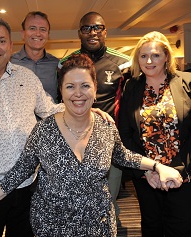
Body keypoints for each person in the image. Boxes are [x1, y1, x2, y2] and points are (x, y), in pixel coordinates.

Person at [0, 53, 183, 237]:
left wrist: (157, 166)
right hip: (53, 229)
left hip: (98, 228)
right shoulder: (44, 130)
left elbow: (122, 155)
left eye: (85, 86)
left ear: (95, 89)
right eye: (70, 86)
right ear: (60, 91)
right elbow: (20, 171)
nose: (78, 94)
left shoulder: (105, 126)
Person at [0, 17, 113, 237]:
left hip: (28, 184)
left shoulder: (26, 77)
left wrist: (89, 111)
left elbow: (50, 109)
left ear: (11, 45)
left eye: (1, 41)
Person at [118, 31, 191, 237]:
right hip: (148, 175)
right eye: (143, 56)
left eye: (156, 55)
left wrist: (184, 169)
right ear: (137, 59)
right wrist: (146, 171)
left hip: (182, 175)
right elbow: (126, 133)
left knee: (182, 230)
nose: (149, 61)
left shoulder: (185, 82)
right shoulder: (131, 87)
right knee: (151, 228)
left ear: (166, 57)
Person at [59, 11, 131, 221]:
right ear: (79, 33)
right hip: (74, 143)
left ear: (105, 31)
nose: (93, 32)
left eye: (97, 27)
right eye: (87, 28)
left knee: (108, 202)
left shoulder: (123, 63)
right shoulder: (66, 63)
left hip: (109, 143)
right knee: (75, 203)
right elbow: (60, 100)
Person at [11, 11, 59, 102]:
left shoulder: (57, 65)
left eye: (43, 29)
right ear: (23, 33)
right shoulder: (9, 63)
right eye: (32, 28)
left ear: (48, 35)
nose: (38, 33)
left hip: (52, 116)